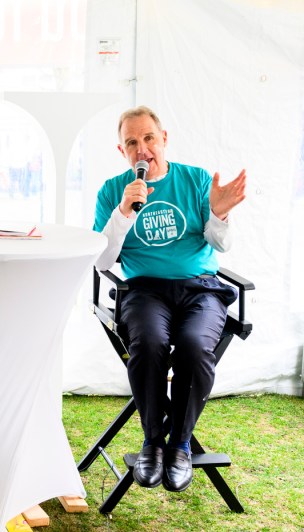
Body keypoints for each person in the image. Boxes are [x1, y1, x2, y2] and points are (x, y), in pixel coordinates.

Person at [93, 106, 247, 492]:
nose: (142, 148)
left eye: (148, 138)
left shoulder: (195, 180)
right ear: (121, 150)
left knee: (195, 347)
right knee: (149, 344)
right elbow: (102, 259)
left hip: (200, 288)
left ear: (164, 139)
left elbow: (220, 244)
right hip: (144, 290)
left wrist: (219, 213)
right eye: (132, 142)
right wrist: (124, 212)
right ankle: (151, 442)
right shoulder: (113, 191)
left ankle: (178, 444)